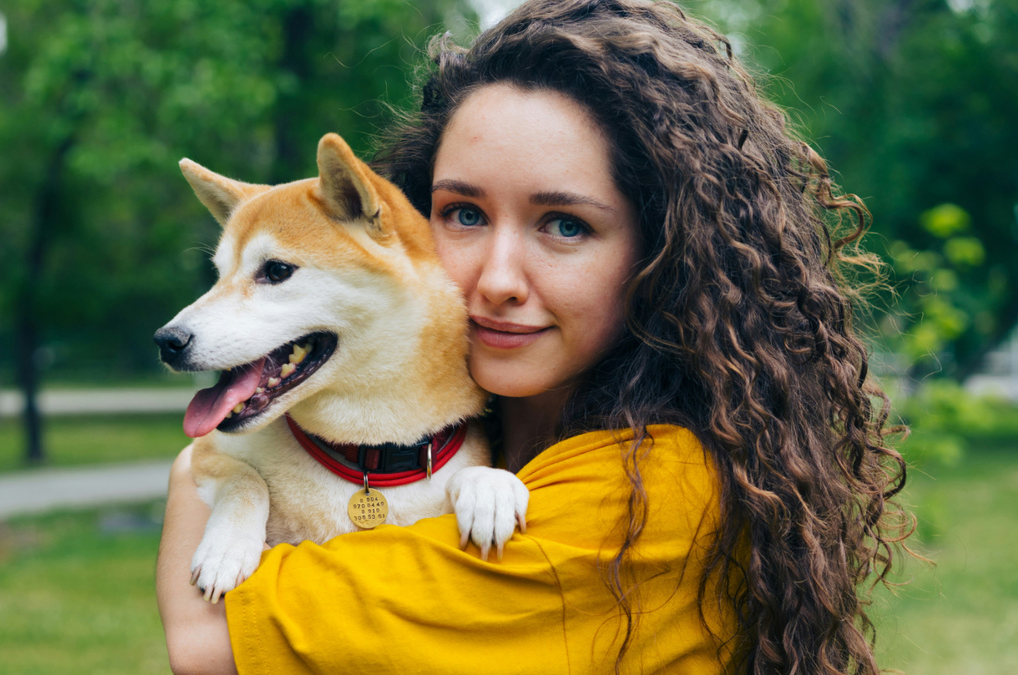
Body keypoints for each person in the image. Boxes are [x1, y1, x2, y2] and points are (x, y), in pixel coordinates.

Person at [156, 1, 911, 673]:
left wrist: (204, 473)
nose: (497, 278)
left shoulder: (650, 496)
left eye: (565, 225)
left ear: (663, 258)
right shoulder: (469, 431)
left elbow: (208, 640)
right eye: (463, 213)